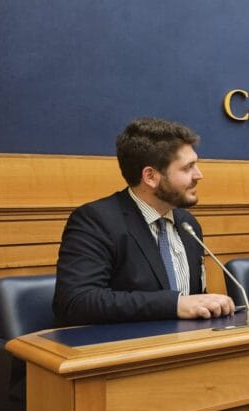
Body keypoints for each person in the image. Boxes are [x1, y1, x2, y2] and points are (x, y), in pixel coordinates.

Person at [53, 117, 235, 325]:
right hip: (122, 350)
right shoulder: (96, 221)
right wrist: (174, 304)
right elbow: (76, 302)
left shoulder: (188, 225)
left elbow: (193, 301)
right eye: (187, 168)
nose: (199, 175)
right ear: (150, 176)